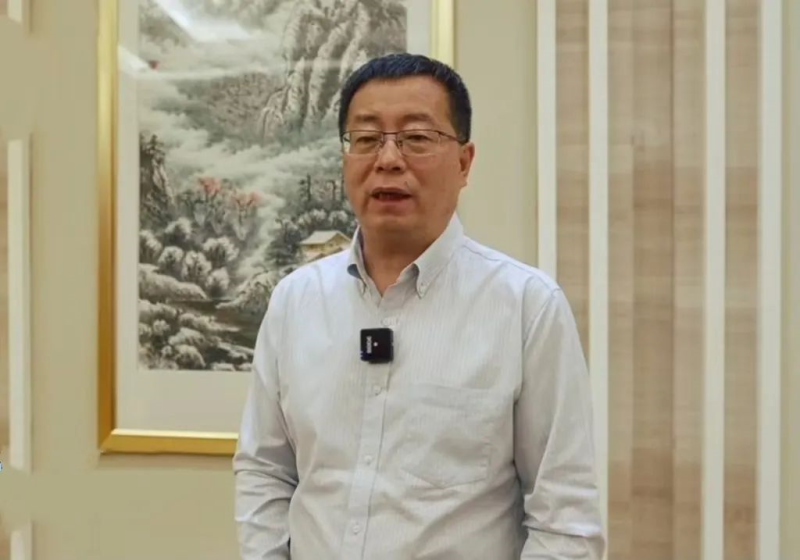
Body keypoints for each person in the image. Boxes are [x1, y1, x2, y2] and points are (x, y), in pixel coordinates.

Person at [233, 52, 605, 559]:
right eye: (367, 138)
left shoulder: (527, 307)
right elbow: (265, 470)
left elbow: (565, 520)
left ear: (464, 162)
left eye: (416, 137)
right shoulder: (295, 301)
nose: (388, 159)